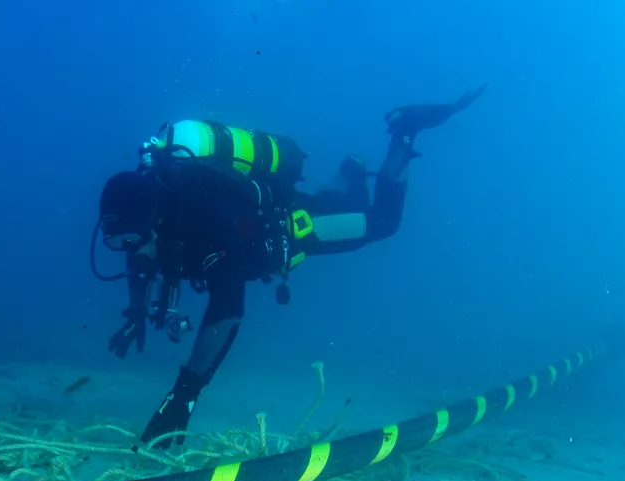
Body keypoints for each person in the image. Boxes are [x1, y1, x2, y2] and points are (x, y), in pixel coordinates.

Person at [93, 86, 486, 449]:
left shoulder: (204, 220)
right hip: (270, 218)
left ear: (153, 219)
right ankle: (349, 173)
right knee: (326, 203)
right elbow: (140, 257)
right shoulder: (151, 218)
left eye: (131, 238)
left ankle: (405, 132)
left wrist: (185, 395)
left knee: (382, 223)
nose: (130, 249)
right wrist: (136, 311)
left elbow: (227, 311)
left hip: (293, 229)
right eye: (118, 242)